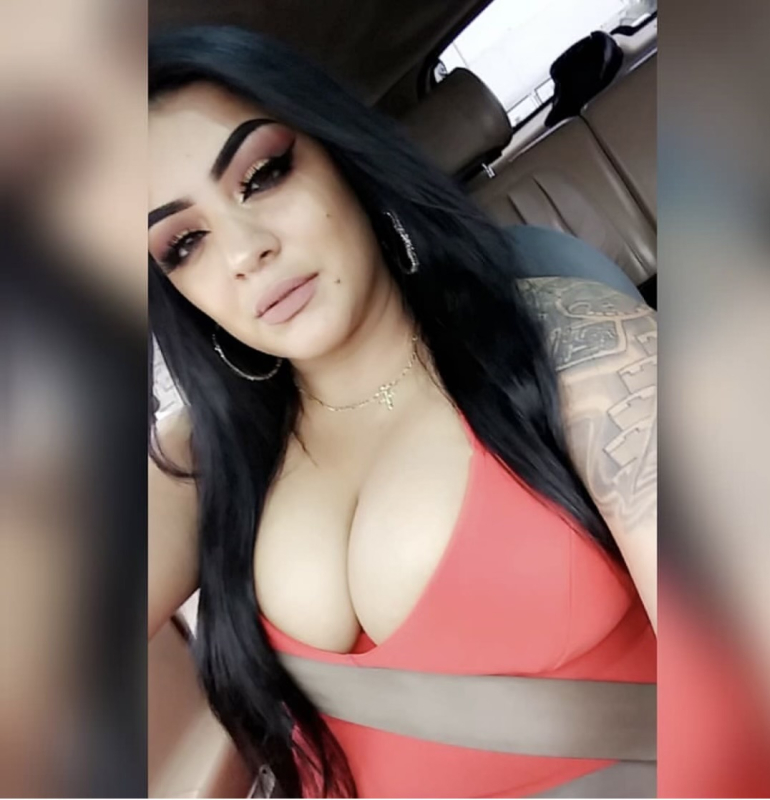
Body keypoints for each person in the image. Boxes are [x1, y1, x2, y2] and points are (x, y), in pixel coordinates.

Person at [148, 25, 657, 799]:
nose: (245, 250)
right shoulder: (209, 456)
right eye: (183, 243)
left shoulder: (575, 345)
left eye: (264, 174)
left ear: (341, 156)